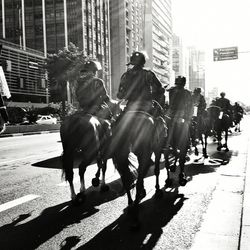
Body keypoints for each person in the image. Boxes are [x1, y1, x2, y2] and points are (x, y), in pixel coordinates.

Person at [117, 51, 165, 116]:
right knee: (160, 122)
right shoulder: (149, 74)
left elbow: (120, 95)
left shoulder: (125, 75)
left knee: (116, 123)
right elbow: (160, 90)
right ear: (143, 62)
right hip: (147, 107)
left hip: (130, 107)